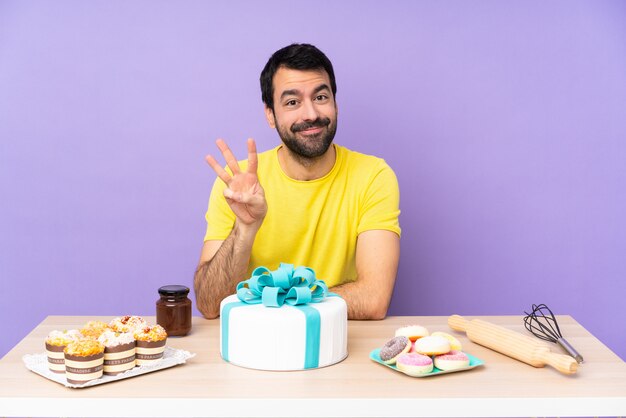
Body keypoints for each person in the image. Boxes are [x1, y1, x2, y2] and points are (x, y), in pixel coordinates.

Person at [194, 43, 400, 320]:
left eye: (321, 97)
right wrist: (244, 228)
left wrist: (280, 305)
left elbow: (374, 300)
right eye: (292, 102)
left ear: (336, 104)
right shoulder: (237, 185)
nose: (311, 114)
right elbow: (209, 304)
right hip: (257, 347)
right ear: (270, 115)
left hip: (338, 344)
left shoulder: (373, 176)